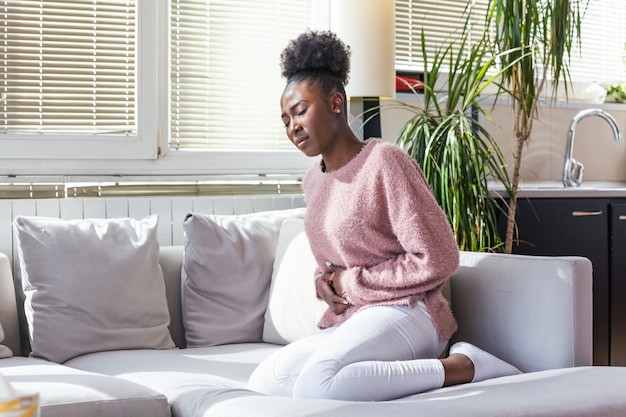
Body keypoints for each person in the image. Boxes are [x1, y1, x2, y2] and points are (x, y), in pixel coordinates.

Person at [248, 30, 520, 402]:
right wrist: (324, 284)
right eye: (285, 120)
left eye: (300, 111)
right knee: (267, 380)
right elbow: (335, 263)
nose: (292, 127)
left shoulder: (385, 162)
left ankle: (465, 366)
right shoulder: (313, 181)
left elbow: (439, 257)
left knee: (317, 385)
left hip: (410, 312)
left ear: (336, 103)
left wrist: (350, 284)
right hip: (357, 318)